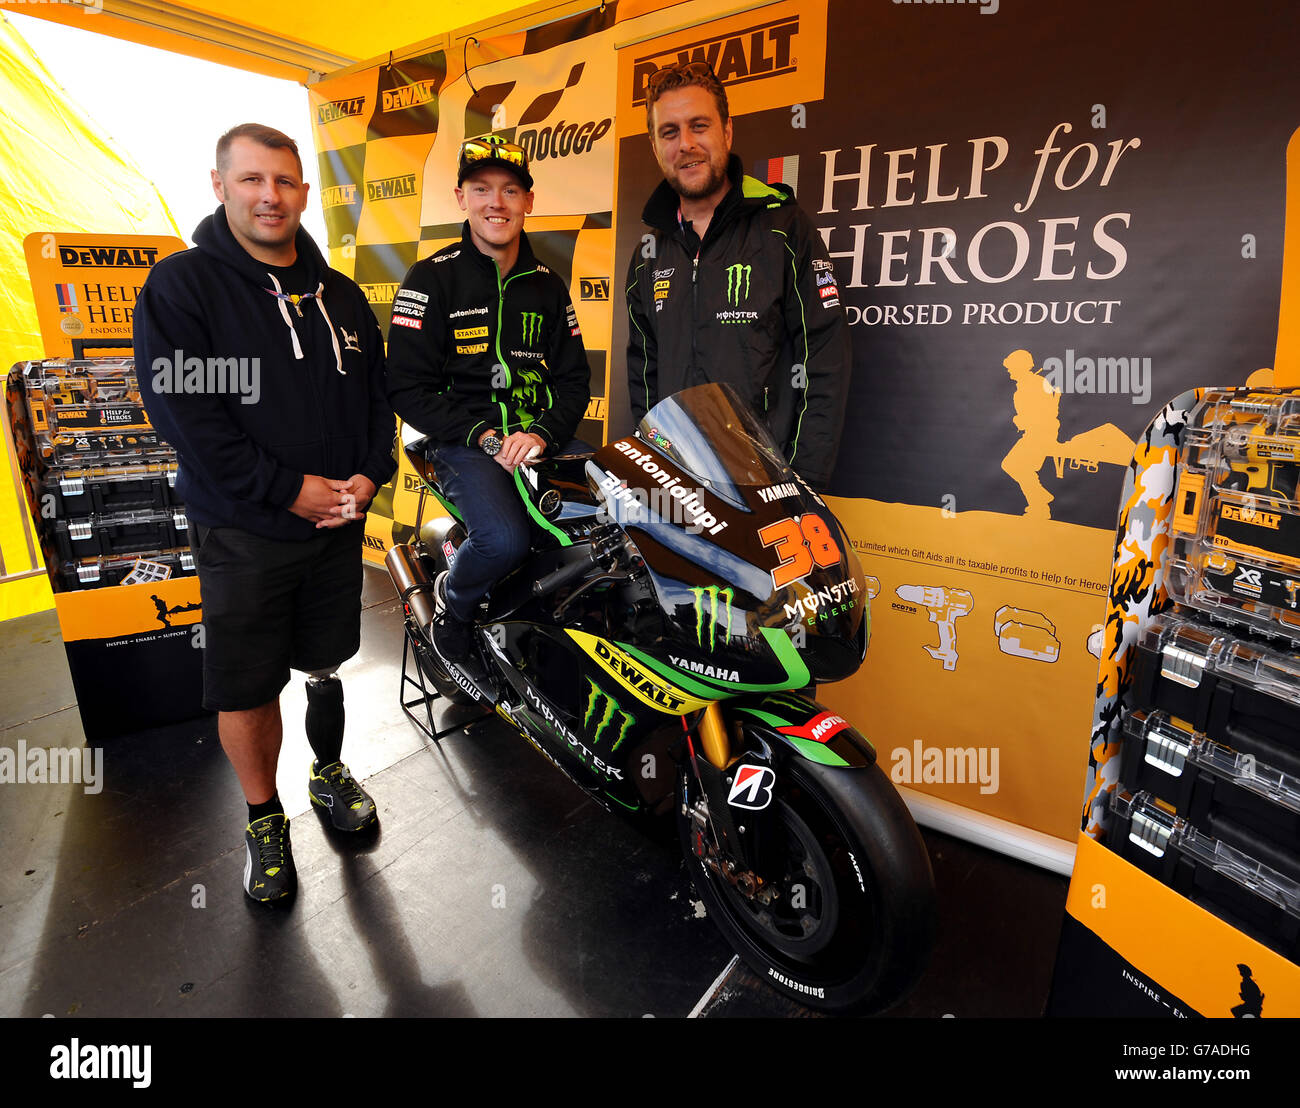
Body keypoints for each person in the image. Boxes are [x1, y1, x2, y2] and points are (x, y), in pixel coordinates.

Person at [134, 123, 396, 903]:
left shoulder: (340, 295)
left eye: (283, 181)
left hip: (336, 531)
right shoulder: (185, 287)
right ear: (220, 186)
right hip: (245, 532)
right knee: (247, 688)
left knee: (324, 662)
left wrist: (370, 477)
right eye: (251, 180)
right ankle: (262, 817)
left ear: (303, 194)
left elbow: (378, 402)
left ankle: (328, 772)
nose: (269, 196)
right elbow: (186, 414)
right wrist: (287, 488)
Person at [386, 135, 591, 672]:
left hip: (539, 437)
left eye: (509, 190)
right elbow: (406, 388)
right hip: (462, 442)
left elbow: (574, 381)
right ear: (461, 198)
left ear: (528, 201)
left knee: (631, 513)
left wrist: (543, 433)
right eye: (481, 189)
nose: (495, 203)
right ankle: (452, 611)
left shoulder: (547, 284)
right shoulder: (430, 278)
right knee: (503, 542)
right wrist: (482, 435)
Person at [625, 61, 851, 491]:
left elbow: (824, 358)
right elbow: (644, 375)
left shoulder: (785, 229)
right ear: (655, 146)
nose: (686, 144)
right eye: (669, 132)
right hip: (679, 483)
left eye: (699, 126)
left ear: (727, 132)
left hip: (768, 483)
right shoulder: (648, 255)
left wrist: (804, 480)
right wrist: (656, 466)